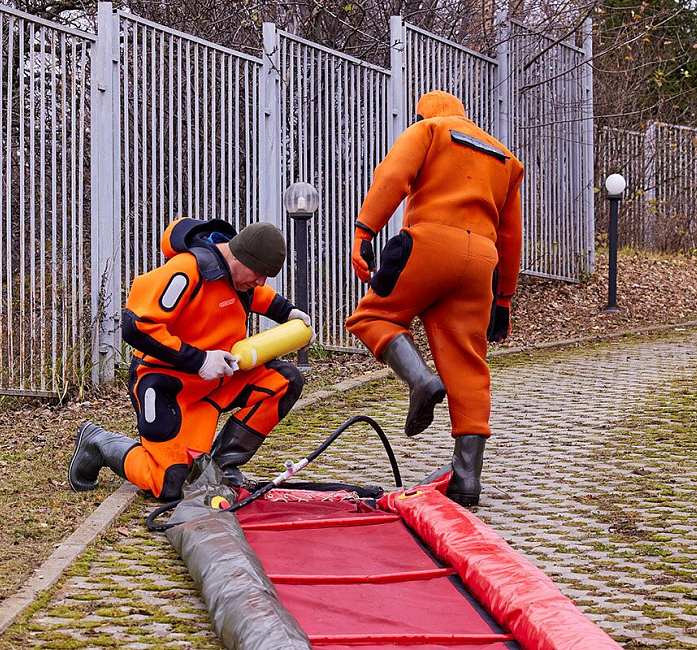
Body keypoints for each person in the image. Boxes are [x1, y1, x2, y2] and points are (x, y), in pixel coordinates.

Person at [345, 90, 523, 507]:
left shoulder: (428, 129)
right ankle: (466, 481)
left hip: (428, 244)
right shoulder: (505, 159)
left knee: (373, 318)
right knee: (467, 363)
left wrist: (364, 231)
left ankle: (421, 381)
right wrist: (504, 299)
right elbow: (512, 235)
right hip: (482, 258)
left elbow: (392, 177)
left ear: (423, 112)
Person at [68, 219, 309, 501]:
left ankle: (220, 468)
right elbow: (136, 326)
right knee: (170, 485)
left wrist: (289, 313)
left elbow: (261, 296)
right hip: (166, 385)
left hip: (216, 383)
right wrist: (199, 361)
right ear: (238, 256)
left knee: (286, 380)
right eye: (258, 273)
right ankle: (99, 443)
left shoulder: (241, 278)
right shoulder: (186, 271)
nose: (260, 282)